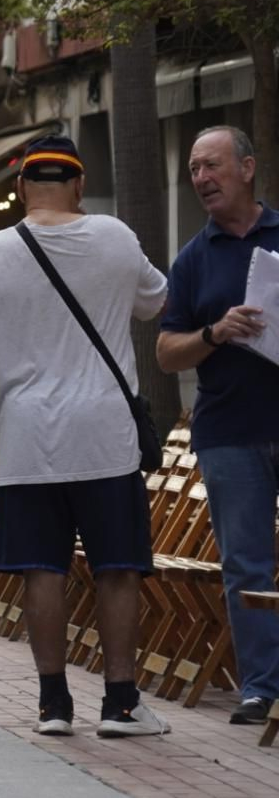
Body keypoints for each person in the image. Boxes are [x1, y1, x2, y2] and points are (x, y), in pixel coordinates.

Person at [0, 135, 169, 738]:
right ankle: (121, 704)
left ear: (20, 188)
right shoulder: (116, 238)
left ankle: (53, 706)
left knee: (42, 569)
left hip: (27, 440)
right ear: (78, 184)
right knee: (117, 568)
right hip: (105, 437)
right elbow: (156, 303)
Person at [157, 124, 279, 728]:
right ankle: (260, 688)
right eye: (194, 169)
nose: (202, 178)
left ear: (248, 167)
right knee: (246, 565)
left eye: (212, 166)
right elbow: (165, 352)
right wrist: (214, 333)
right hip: (229, 431)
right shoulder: (192, 260)